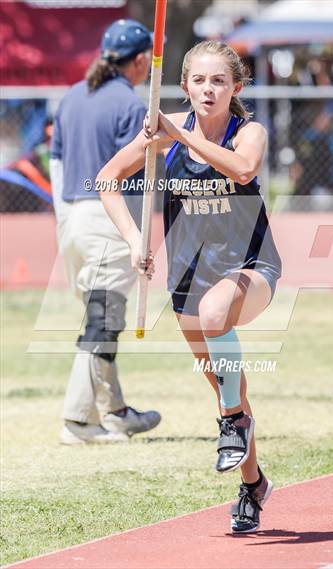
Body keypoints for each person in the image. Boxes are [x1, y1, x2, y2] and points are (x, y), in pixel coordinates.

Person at [97, 40, 281, 533]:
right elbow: (107, 179)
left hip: (249, 266)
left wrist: (177, 131)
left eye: (219, 80)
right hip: (187, 278)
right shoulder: (166, 134)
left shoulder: (250, 131)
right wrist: (137, 239)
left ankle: (235, 424)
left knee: (219, 317)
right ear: (184, 86)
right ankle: (252, 484)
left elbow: (241, 168)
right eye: (198, 80)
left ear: (235, 87)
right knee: (227, 392)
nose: (208, 89)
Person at [50, 19, 161, 445]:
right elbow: (131, 177)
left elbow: (56, 162)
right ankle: (81, 422)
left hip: (73, 218)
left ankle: (113, 412)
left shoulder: (72, 97)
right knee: (103, 322)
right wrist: (137, 235)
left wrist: (64, 216)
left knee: (99, 319)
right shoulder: (131, 106)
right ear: (138, 61)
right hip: (107, 221)